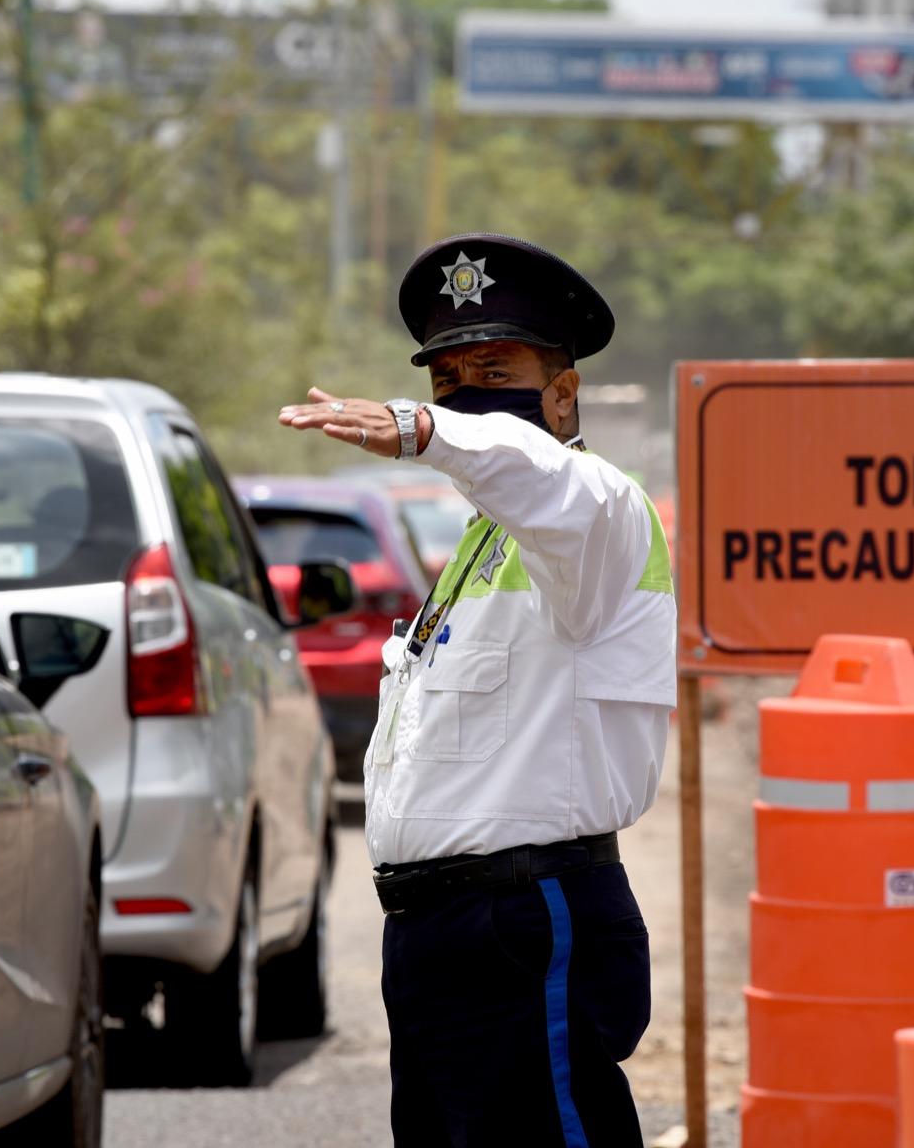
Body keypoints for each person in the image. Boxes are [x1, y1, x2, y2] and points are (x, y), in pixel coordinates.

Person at [278, 233, 677, 1147]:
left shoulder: (596, 509)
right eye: (447, 380)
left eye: (496, 367)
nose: (468, 394)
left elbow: (531, 468)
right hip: (441, 930)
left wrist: (425, 430)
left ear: (563, 392)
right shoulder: (483, 544)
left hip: (526, 919)